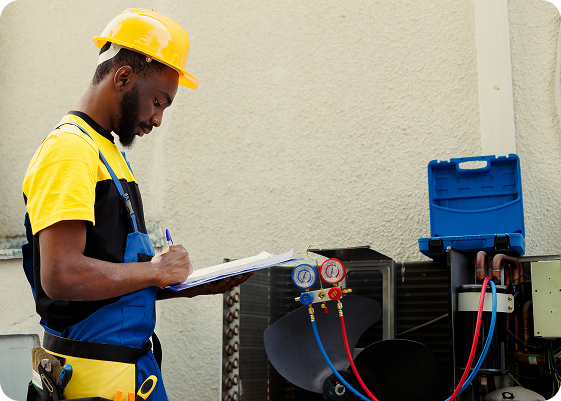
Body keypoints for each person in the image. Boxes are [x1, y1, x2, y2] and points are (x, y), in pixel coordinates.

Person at [22, 9, 251, 401]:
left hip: (129, 375)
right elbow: (61, 275)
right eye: (158, 101)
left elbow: (109, 281)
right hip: (97, 383)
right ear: (123, 77)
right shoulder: (69, 151)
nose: (158, 119)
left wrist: (181, 286)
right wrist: (156, 271)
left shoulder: (104, 151)